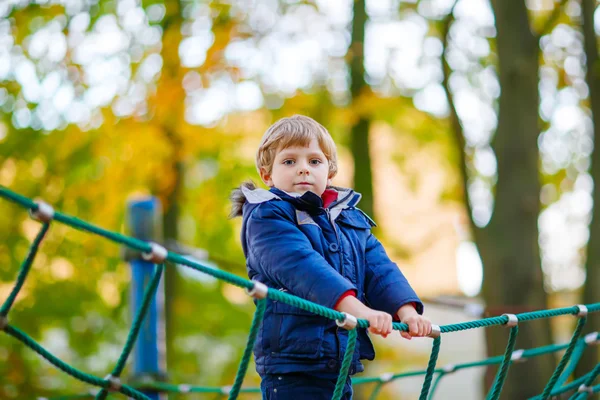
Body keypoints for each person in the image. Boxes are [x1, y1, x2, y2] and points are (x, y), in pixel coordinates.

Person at [230, 115, 431, 399]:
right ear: (267, 174)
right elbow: (302, 268)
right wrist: (358, 310)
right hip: (293, 365)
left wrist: (406, 311)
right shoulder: (267, 215)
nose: (303, 170)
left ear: (330, 171)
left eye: (314, 161)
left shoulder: (347, 219)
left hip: (339, 359)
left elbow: (380, 269)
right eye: (289, 162)